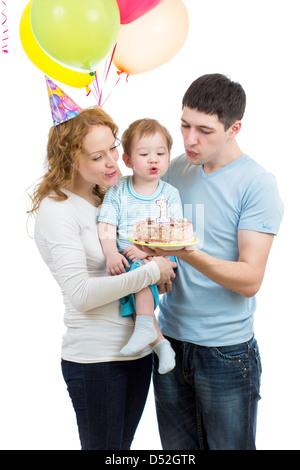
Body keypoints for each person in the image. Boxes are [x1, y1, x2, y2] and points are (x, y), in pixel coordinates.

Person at [29, 79, 177, 450]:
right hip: (96, 362)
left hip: (138, 352)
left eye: (112, 148)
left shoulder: (110, 198)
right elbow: (80, 294)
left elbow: (133, 261)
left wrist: (157, 269)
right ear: (70, 160)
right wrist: (149, 272)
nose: (112, 162)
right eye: (97, 157)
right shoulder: (57, 209)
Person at [140, 74, 284, 450]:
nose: (189, 139)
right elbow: (153, 234)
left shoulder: (257, 183)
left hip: (225, 352)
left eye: (204, 130)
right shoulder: (175, 169)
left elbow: (250, 278)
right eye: (184, 125)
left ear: (234, 128)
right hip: (169, 341)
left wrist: (187, 252)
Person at [98, 118, 182, 374]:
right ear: (127, 160)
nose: (153, 160)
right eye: (144, 154)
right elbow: (106, 224)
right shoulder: (119, 190)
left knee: (140, 273)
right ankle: (160, 344)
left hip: (161, 258)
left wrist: (148, 251)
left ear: (168, 157)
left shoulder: (169, 194)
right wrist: (111, 253)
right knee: (135, 279)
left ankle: (147, 330)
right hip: (129, 261)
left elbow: (175, 233)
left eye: (160, 153)